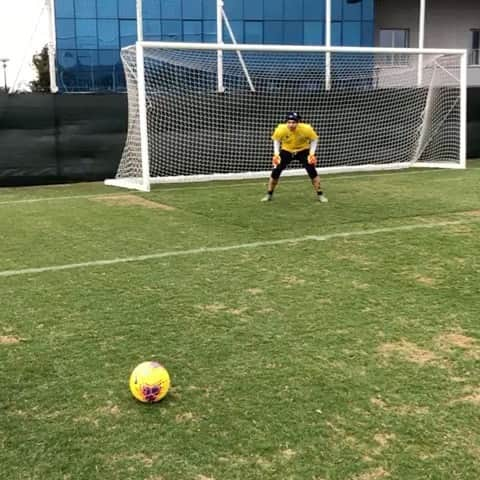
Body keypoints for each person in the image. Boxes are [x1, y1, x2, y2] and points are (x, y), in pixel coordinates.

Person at [261, 112, 328, 203]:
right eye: (289, 122)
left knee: (312, 170)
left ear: (298, 122)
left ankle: (320, 194)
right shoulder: (281, 129)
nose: (291, 124)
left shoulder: (306, 129)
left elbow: (314, 139)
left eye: (293, 122)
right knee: (276, 171)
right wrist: (276, 154)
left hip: (303, 151)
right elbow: (276, 140)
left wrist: (311, 154)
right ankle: (269, 194)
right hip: (287, 151)